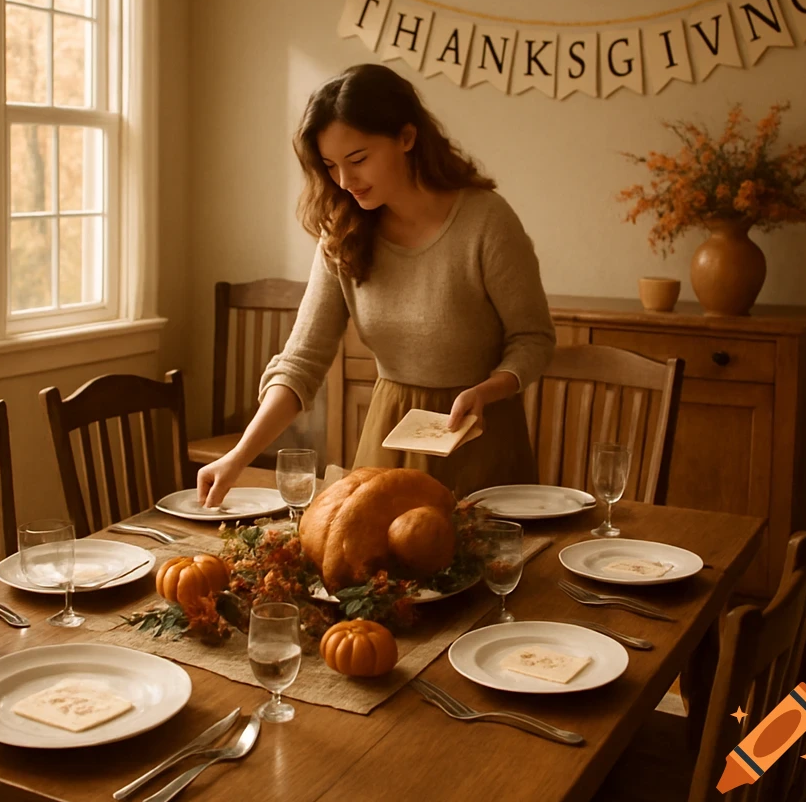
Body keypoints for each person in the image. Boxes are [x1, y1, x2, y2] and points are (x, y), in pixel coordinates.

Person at [197, 63, 555, 506]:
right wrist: (237, 456)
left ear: (406, 138)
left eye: (359, 159)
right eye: (330, 166)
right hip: (389, 442)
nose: (345, 183)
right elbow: (301, 363)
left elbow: (533, 339)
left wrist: (489, 389)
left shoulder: (486, 221)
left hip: (481, 443)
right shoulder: (343, 232)